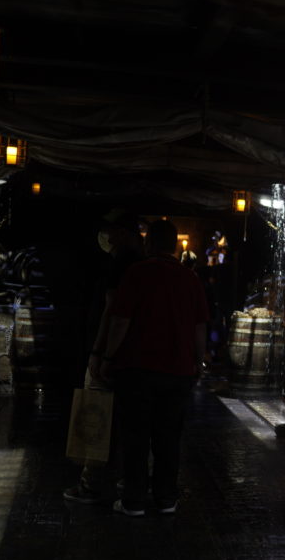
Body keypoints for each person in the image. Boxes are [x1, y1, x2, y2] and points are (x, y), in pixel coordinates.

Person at [96, 218, 209, 515]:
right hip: (178, 372)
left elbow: (121, 321)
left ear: (149, 243)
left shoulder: (137, 274)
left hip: (137, 369)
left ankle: (134, 501)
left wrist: (107, 358)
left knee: (136, 437)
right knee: (169, 437)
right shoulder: (190, 279)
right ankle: (166, 498)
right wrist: (199, 361)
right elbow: (200, 327)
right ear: (173, 245)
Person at [63, 208, 143, 504]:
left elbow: (113, 312)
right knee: (125, 423)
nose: (105, 236)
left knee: (94, 416)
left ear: (122, 233)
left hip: (110, 354)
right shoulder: (138, 264)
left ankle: (90, 484)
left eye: (110, 230)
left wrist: (99, 353)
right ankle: (124, 483)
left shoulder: (121, 264)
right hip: (131, 357)